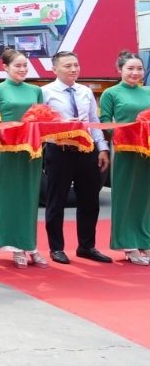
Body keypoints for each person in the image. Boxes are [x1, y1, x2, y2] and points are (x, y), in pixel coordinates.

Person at [41, 51, 111, 264]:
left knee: (90, 200)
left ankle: (87, 246)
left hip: (86, 150)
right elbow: (40, 123)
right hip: (59, 151)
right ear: (55, 69)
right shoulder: (44, 92)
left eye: (76, 65)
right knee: (56, 201)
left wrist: (102, 148)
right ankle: (56, 248)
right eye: (67, 66)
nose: (73, 69)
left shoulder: (85, 91)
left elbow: (93, 120)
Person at [0, 48, 47, 268]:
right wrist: (9, 128)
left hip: (32, 150)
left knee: (31, 198)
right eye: (17, 66)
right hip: (8, 150)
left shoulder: (35, 90)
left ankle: (30, 245)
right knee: (10, 197)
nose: (23, 69)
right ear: (5, 67)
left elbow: (42, 116)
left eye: (25, 65)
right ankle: (13, 246)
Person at [99, 51, 150, 264]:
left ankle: (144, 241)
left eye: (139, 68)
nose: (135, 72)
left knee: (145, 198)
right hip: (125, 150)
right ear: (119, 70)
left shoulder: (148, 92)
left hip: (146, 151)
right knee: (125, 197)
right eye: (130, 68)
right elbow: (104, 123)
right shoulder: (111, 93)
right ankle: (128, 244)